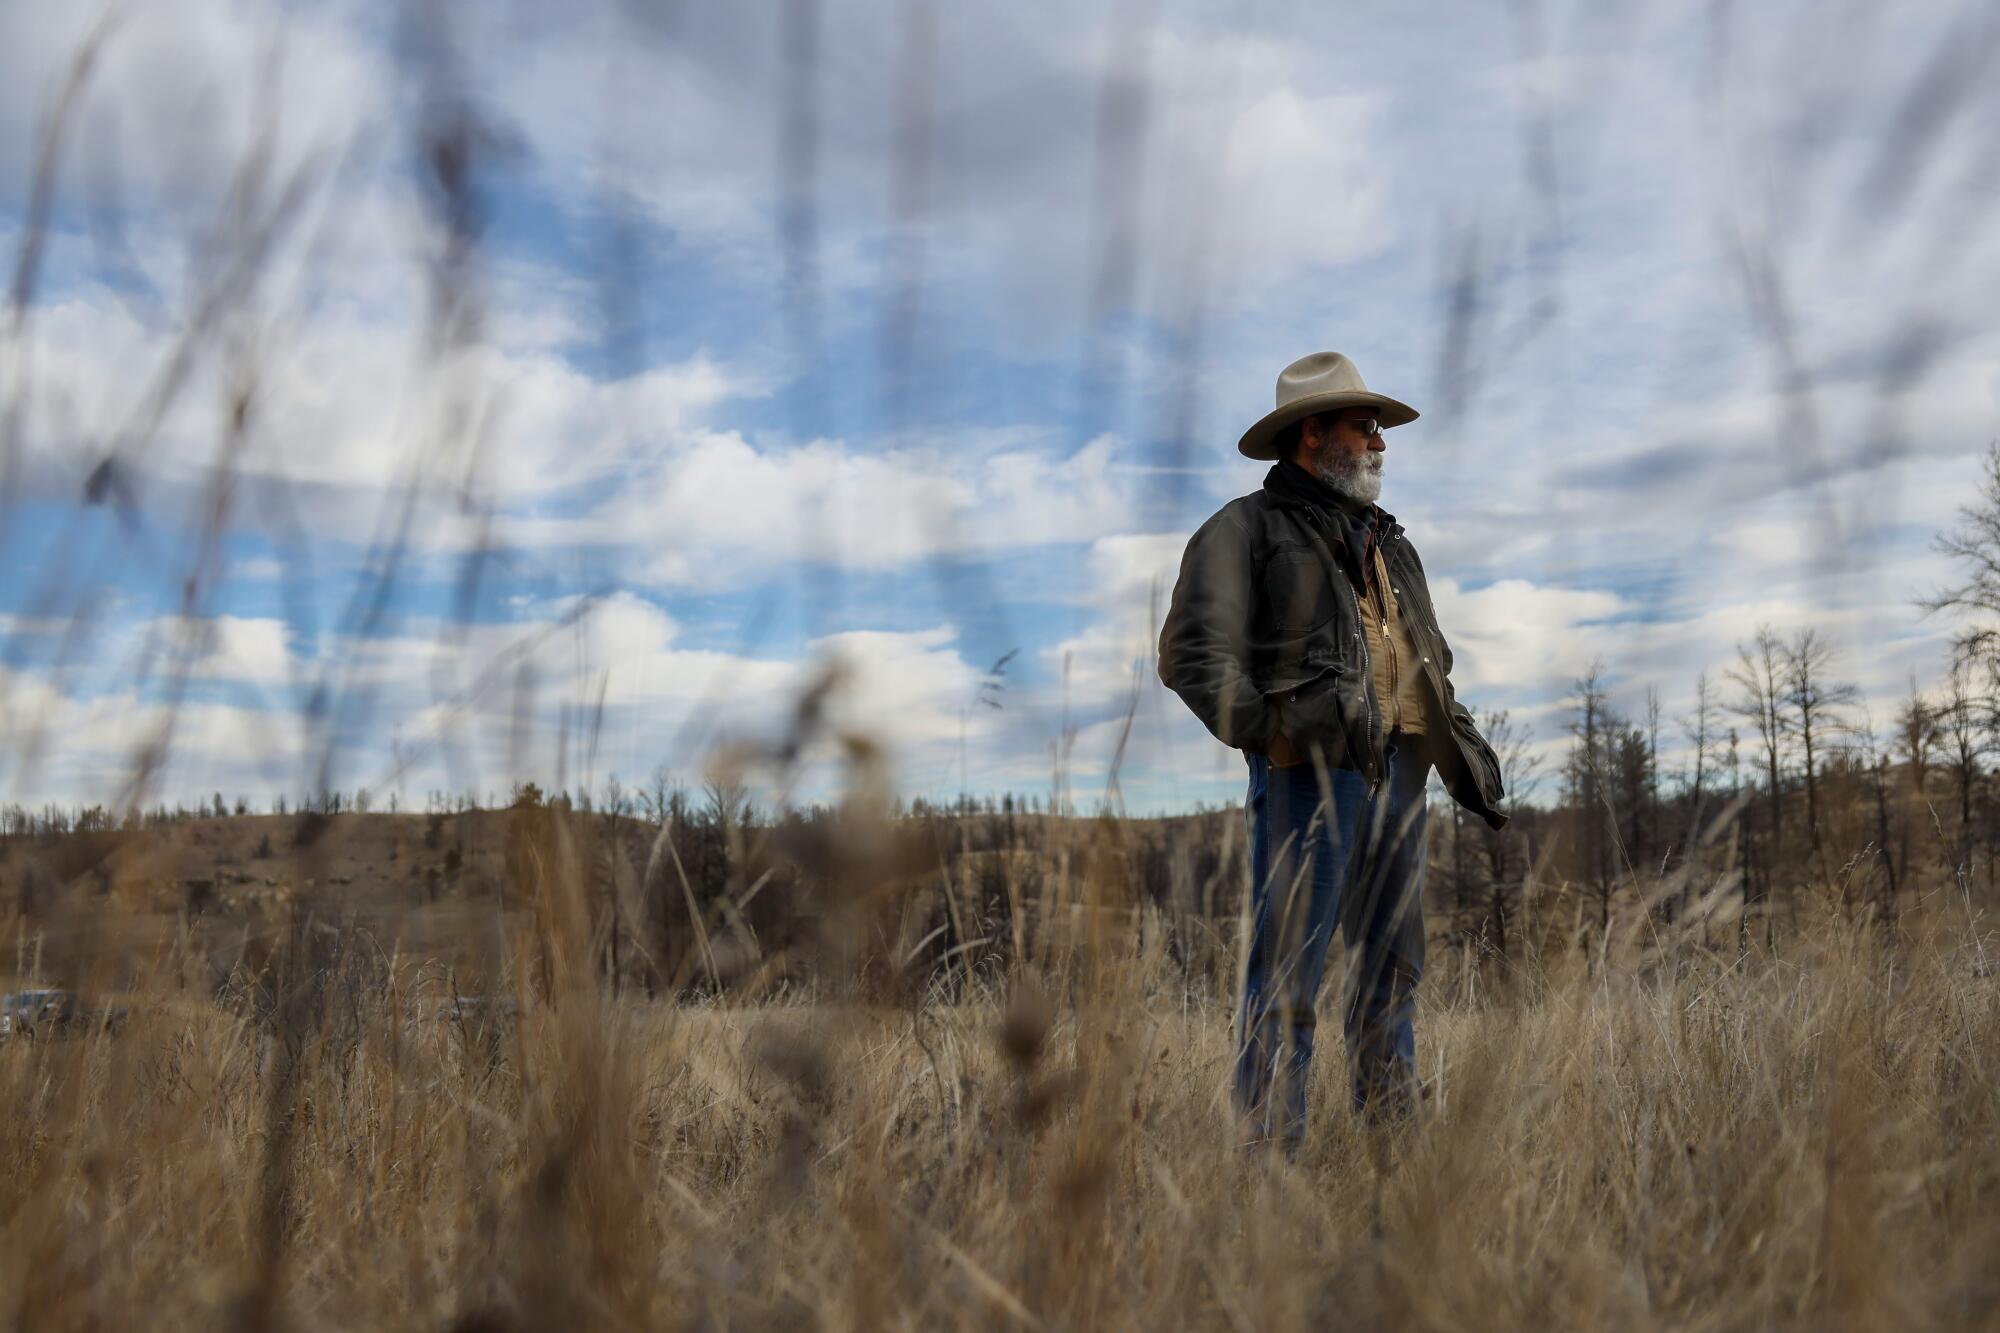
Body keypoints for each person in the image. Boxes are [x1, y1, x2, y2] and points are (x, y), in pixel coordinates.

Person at [1157, 351, 1508, 1146]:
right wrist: (1273, 733)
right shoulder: (1245, 529)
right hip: (1308, 779)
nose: (1382, 441)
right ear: (1312, 434)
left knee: (1393, 971)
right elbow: (1190, 653)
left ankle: (1392, 1141)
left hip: (1402, 776)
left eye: (1380, 427)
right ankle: (1269, 1166)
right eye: (1365, 425)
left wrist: (1460, 742)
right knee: (1287, 980)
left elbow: (1430, 662)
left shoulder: (1393, 544)